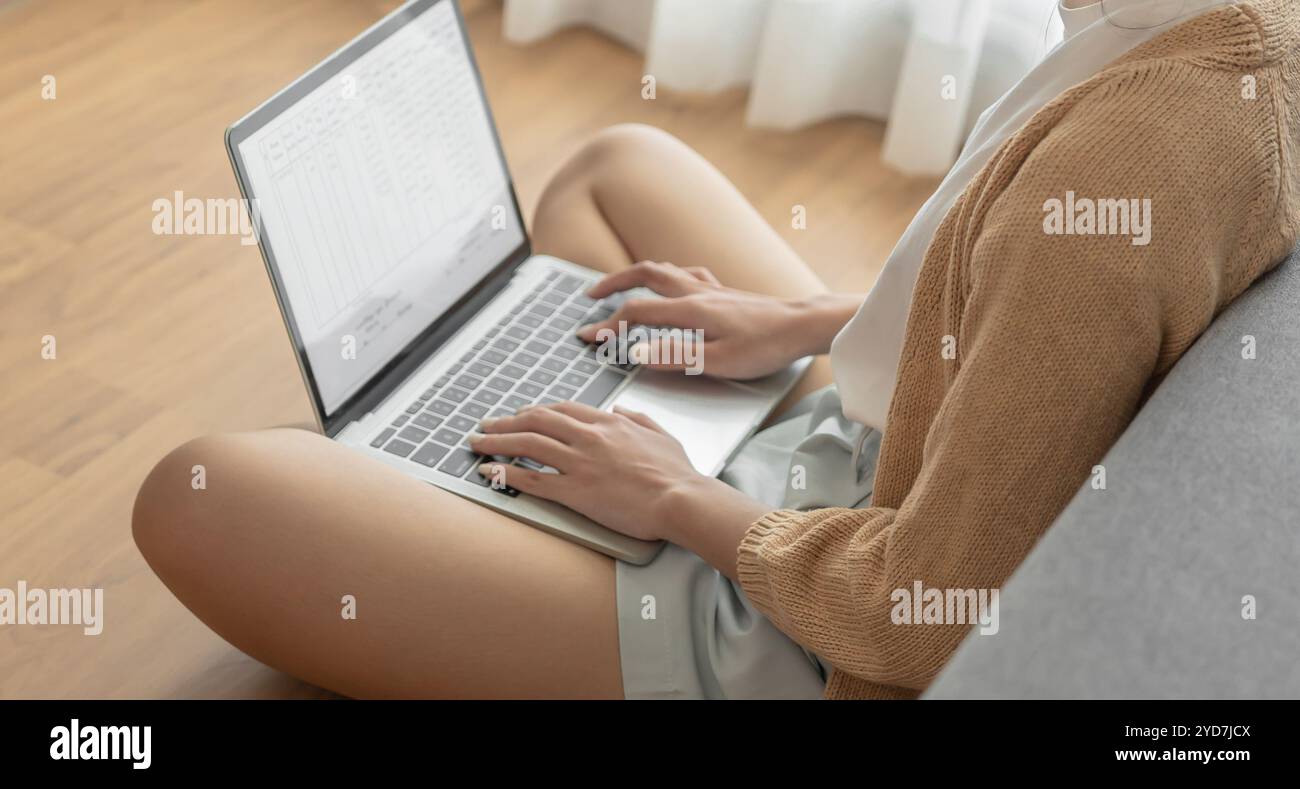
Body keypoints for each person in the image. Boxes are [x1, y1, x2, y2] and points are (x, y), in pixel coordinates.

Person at [133, 0, 1300, 699]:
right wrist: (804, 329)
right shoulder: (1216, 33)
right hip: (883, 448)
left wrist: (676, 499)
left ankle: (499, 510)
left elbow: (922, 609)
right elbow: (1032, 329)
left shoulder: (1135, 157)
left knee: (194, 494)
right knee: (614, 170)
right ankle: (484, 497)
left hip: (821, 622)